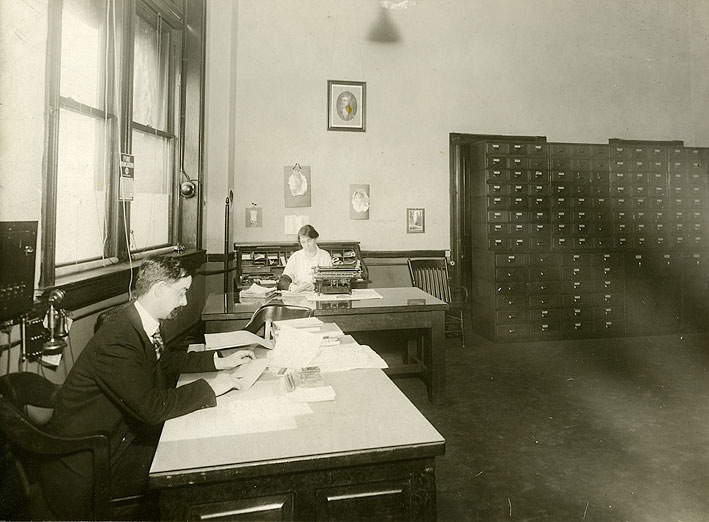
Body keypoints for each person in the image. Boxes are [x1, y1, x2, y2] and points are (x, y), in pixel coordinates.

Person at [40, 255, 254, 519]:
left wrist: (220, 362)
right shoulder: (118, 337)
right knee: (192, 465)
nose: (185, 301)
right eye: (181, 293)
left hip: (118, 438)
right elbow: (151, 408)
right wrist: (211, 388)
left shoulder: (139, 321)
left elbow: (163, 361)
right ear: (159, 290)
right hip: (93, 462)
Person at [278, 224, 332, 292]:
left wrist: (315, 286)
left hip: (318, 295)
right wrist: (292, 287)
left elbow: (330, 281)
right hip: (298, 296)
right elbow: (283, 281)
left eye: (309, 241)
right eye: (303, 242)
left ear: (315, 239)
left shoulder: (325, 256)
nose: (306, 245)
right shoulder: (295, 257)